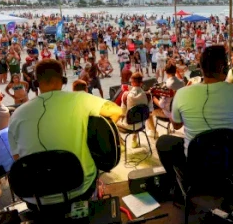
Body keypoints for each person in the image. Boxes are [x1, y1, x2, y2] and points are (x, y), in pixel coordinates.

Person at [156, 46, 233, 191]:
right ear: (224, 68)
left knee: (163, 142)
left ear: (201, 68)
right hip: (230, 167)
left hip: (195, 169)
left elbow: (176, 125)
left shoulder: (182, 93)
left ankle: (179, 186)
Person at [8, 60, 122, 206]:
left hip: (35, 198)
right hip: (80, 189)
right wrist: (94, 131)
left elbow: (17, 157)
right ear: (64, 80)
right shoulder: (81, 99)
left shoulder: (17, 114)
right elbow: (116, 111)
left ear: (36, 83)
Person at [117, 72, 156, 143]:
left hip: (129, 125)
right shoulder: (148, 95)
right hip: (142, 124)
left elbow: (123, 113)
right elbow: (150, 112)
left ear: (131, 82)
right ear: (141, 83)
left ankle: (121, 144)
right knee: (137, 115)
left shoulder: (125, 95)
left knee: (114, 122)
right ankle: (134, 139)